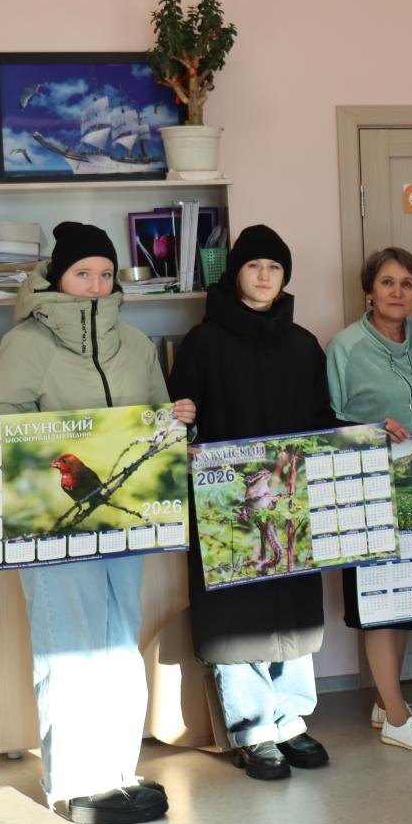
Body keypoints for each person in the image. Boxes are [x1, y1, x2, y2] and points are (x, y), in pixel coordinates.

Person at [0, 222, 195, 823]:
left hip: (121, 527)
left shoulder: (135, 343)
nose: (96, 284)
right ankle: (76, 784)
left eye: (106, 273)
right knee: (68, 647)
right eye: (83, 273)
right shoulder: (28, 343)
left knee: (117, 648)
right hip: (51, 529)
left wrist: (180, 420)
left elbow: (156, 425)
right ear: (58, 278)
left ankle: (118, 771)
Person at [169, 225, 336, 781]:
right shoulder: (202, 342)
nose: (265, 277)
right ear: (235, 273)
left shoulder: (303, 344)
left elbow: (319, 421)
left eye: (275, 268)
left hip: (290, 500)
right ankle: (253, 731)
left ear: (285, 277)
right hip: (228, 505)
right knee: (239, 616)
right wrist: (184, 427)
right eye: (254, 266)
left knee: (292, 609)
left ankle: (291, 721)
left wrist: (362, 434)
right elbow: (178, 422)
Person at [326, 247, 412, 752]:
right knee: (379, 599)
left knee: (406, 595)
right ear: (369, 290)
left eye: (407, 284)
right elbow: (326, 421)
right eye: (387, 282)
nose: (397, 292)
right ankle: (397, 719)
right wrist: (370, 429)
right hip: (367, 487)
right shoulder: (346, 346)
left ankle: (386, 701)